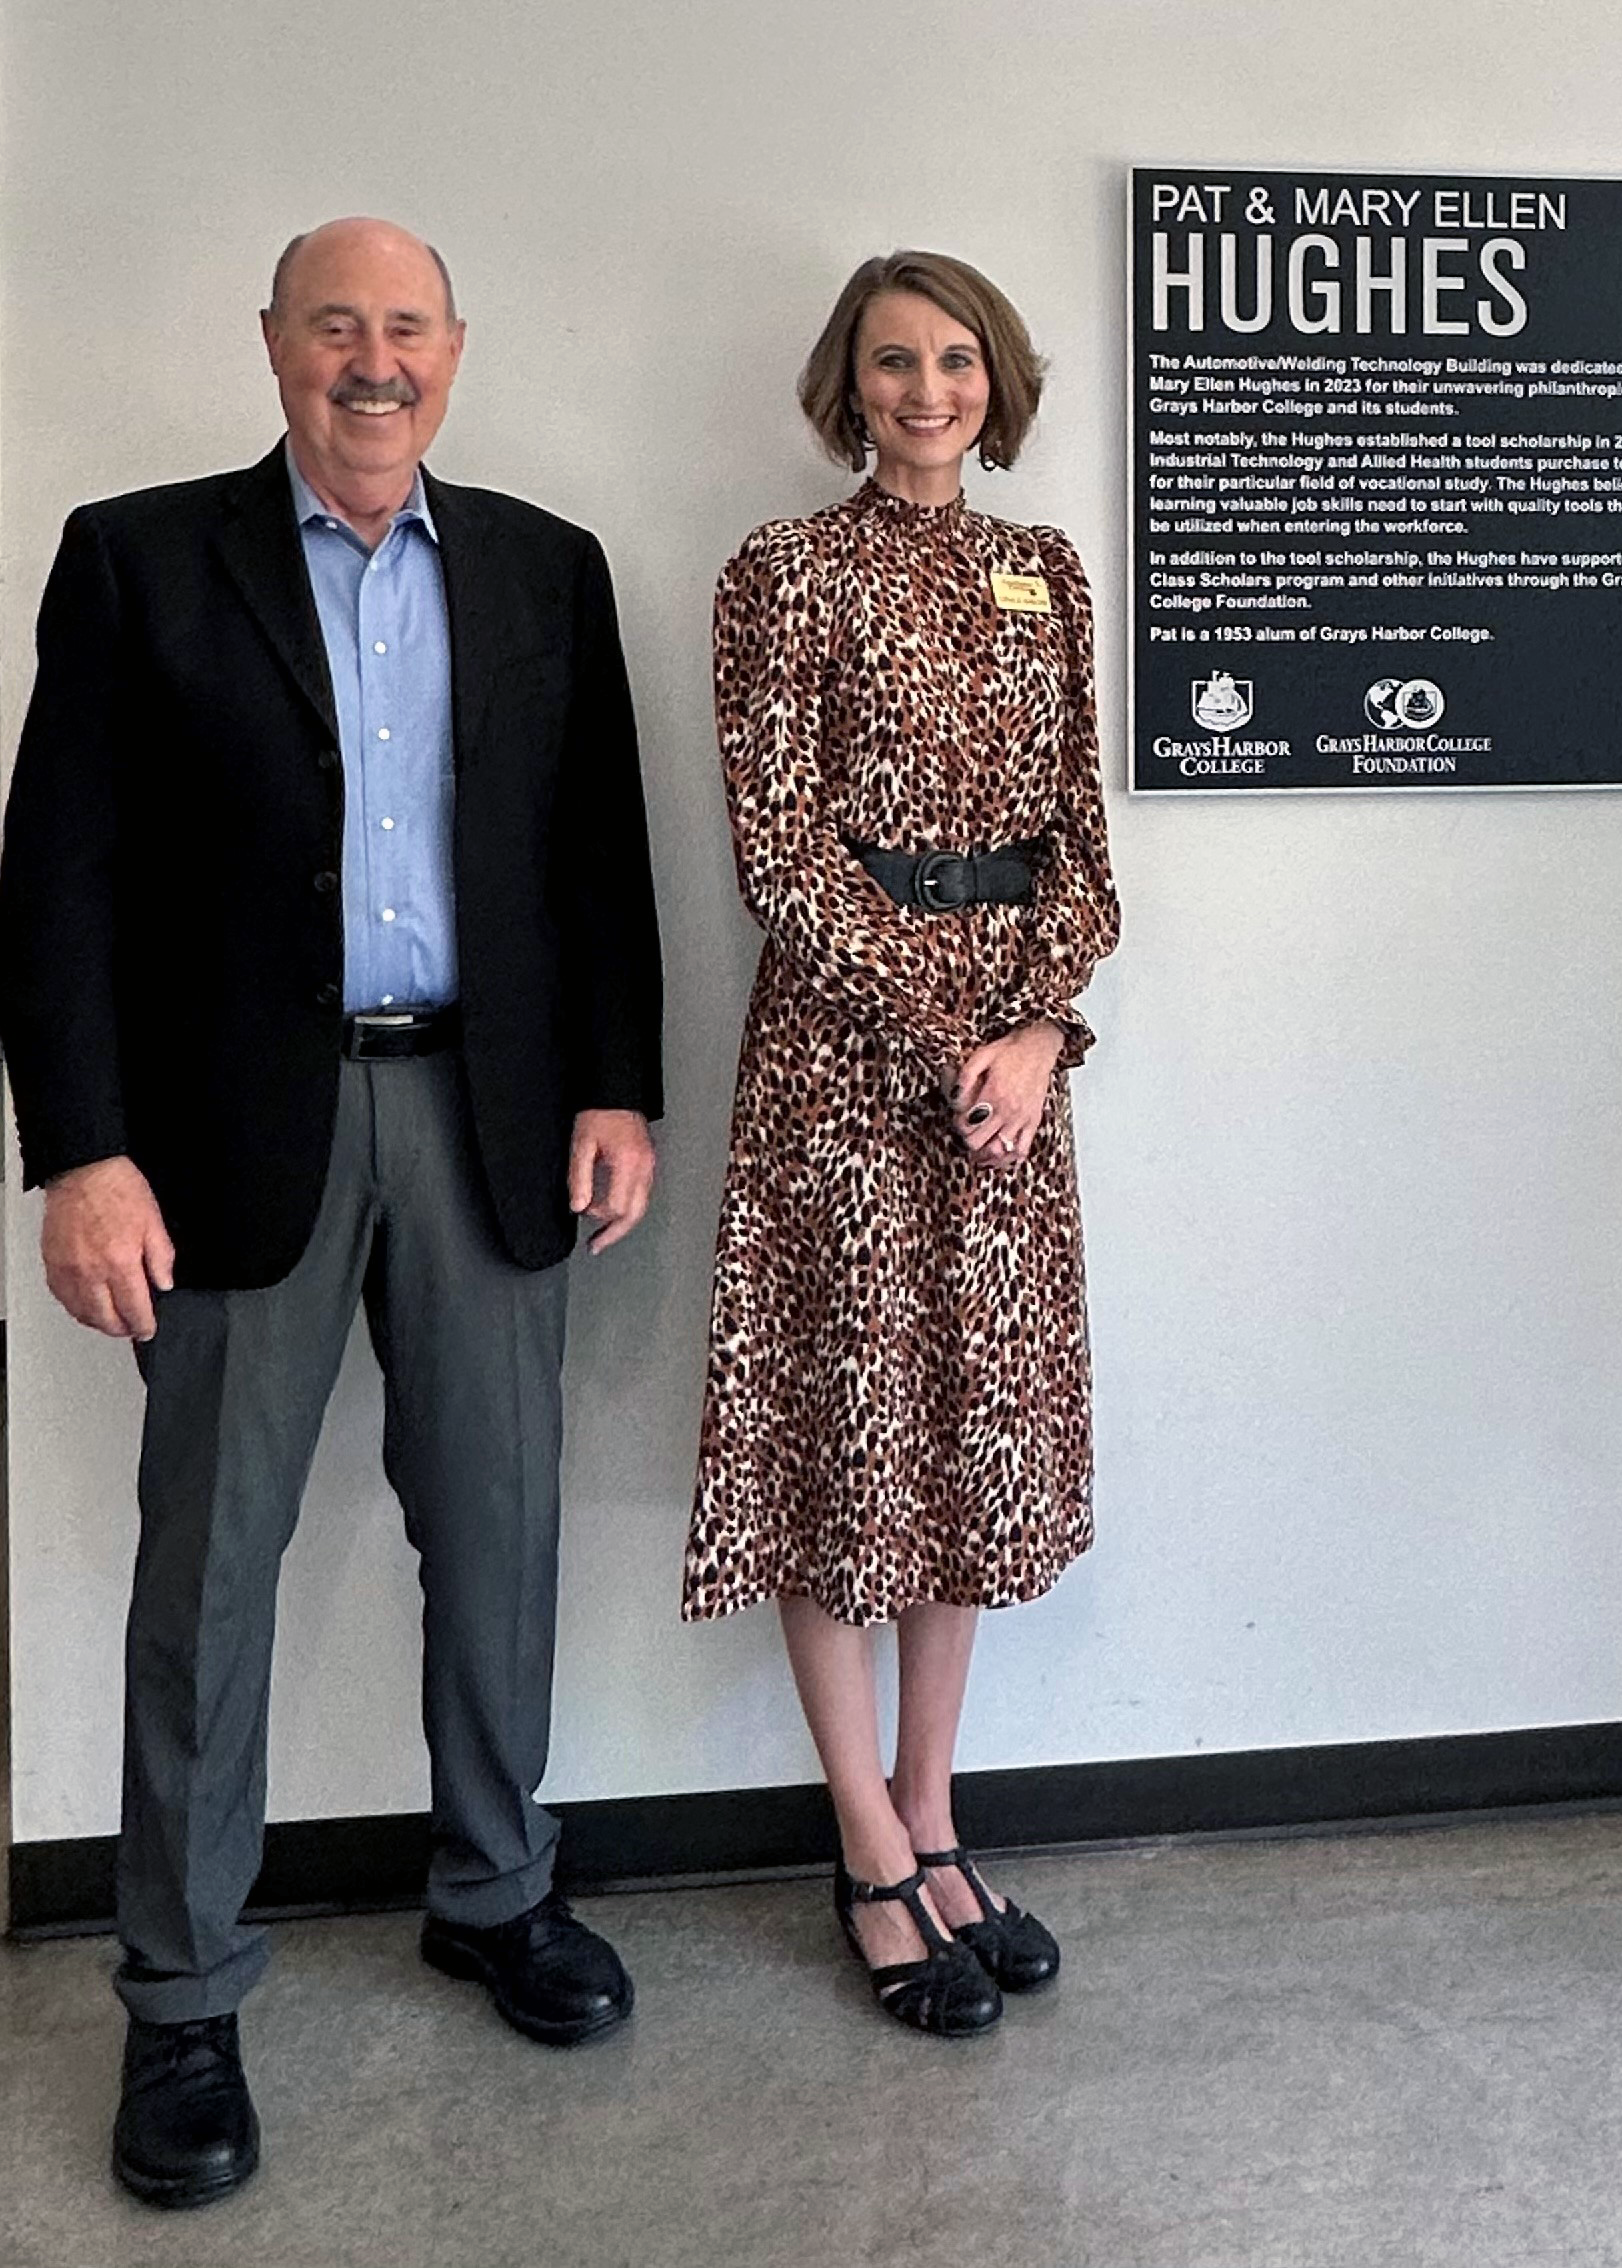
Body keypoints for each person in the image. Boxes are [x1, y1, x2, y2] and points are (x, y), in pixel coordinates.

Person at [0, 219, 664, 2208]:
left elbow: (597, 859)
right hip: (226, 1144)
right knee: (211, 1564)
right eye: (333, 328)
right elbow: (59, 883)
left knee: (504, 1525)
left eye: (404, 330)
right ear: (274, 347)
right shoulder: (138, 556)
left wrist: (619, 1084)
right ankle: (185, 1995)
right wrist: (80, 1151)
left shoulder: (546, 567)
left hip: (490, 1118)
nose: (371, 363)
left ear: (454, 352)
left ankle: (495, 1889)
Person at [684, 250, 1119, 2038]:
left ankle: (938, 1818)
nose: (927, 390)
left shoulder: (1047, 572)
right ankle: (861, 1840)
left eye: (955, 361)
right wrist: (946, 1032)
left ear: (994, 380)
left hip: (1010, 1082)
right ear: (844, 385)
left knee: (970, 1456)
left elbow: (1082, 840)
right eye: (892, 363)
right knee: (840, 1438)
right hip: (843, 1074)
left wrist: (1031, 1033)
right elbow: (778, 853)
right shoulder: (781, 574)